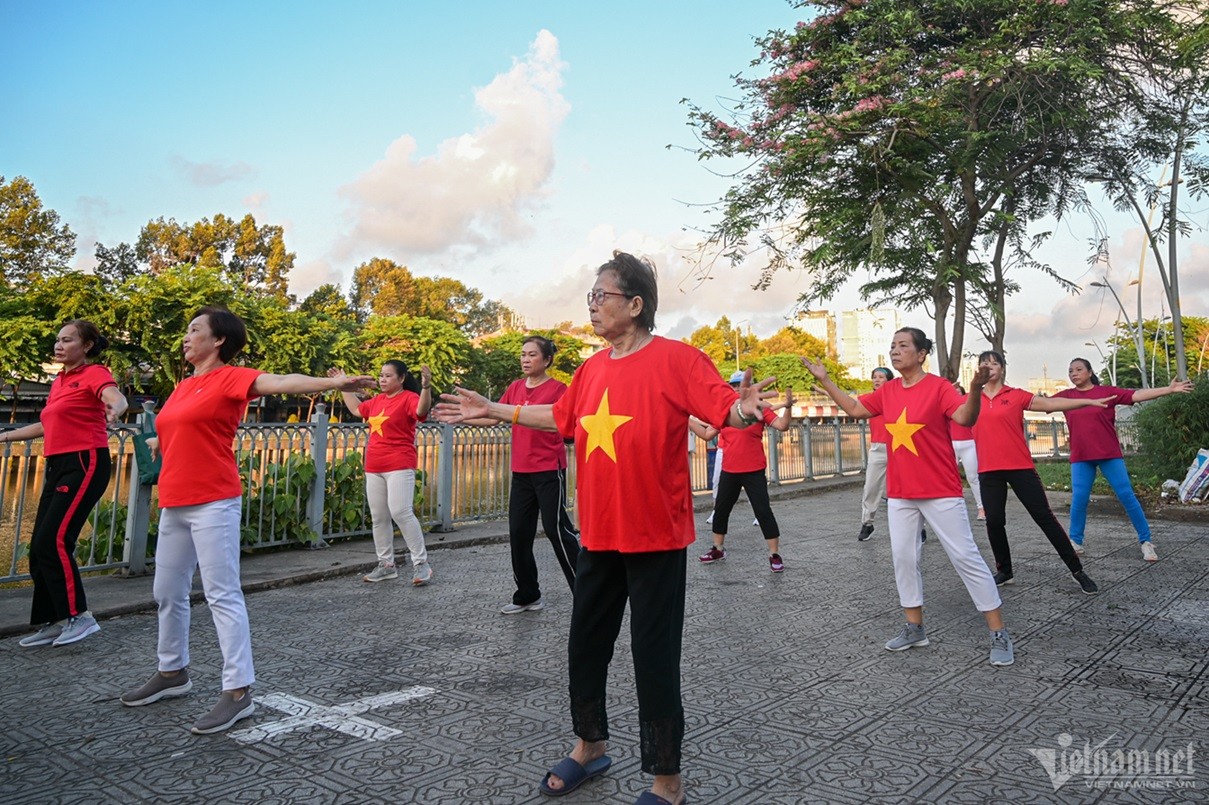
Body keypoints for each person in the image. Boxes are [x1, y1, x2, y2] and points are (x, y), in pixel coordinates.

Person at [436, 251, 772, 805]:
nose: (592, 306)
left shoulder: (678, 360)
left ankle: (667, 781)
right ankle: (590, 745)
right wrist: (498, 410)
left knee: (653, 656)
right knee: (585, 646)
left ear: (635, 305)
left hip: (656, 537)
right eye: (590, 298)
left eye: (602, 297)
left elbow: (723, 410)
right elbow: (564, 419)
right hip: (599, 533)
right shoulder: (591, 370)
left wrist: (743, 411)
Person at [120, 306, 372, 735]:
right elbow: (175, 428)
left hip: (214, 500)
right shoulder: (184, 386)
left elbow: (281, 382)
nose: (186, 336)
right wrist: (158, 442)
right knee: (166, 591)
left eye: (194, 329)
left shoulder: (232, 377)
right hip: (175, 500)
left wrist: (333, 383)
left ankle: (238, 692)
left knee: (222, 594)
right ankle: (172, 671)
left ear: (218, 341)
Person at [802, 328, 1015, 667]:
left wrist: (973, 390)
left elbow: (965, 417)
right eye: (892, 346)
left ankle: (998, 632)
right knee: (903, 557)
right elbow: (856, 410)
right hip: (901, 493)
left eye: (903, 346)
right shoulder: (887, 391)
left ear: (920, 354)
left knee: (965, 556)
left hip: (940, 489)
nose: (895, 351)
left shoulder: (939, 388)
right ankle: (915, 628)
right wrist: (827, 380)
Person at [5, 321, 128, 648]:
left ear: (86, 346)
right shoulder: (59, 381)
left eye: (67, 340)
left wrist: (116, 408)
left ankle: (79, 617)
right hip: (58, 465)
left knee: (54, 540)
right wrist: (3, 435)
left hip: (84, 462)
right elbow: (45, 425)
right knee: (39, 547)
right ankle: (56, 620)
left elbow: (114, 396)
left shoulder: (94, 373)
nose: (59, 345)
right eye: (58, 340)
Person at [457, 335, 579, 613]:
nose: (525, 359)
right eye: (523, 354)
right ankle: (528, 594)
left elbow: (565, 425)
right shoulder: (514, 387)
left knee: (556, 530)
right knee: (519, 533)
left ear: (547, 360)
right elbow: (494, 415)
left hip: (550, 469)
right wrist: (467, 416)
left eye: (532, 355)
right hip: (521, 472)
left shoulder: (560, 389)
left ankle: (584, 592)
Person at [972, 351, 1110, 594]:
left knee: (1044, 518)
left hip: (1020, 467)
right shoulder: (972, 399)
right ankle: (1004, 570)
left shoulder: (1015, 395)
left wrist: (1086, 401)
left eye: (994, 363)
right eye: (984, 363)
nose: (989, 366)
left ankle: (1077, 570)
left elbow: (1051, 404)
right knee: (994, 521)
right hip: (989, 470)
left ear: (1002, 369)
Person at [1054, 358, 1193, 562]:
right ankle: (1075, 541)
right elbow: (1039, 403)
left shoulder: (1106, 392)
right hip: (1081, 458)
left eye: (1078, 369)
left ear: (1090, 372)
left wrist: (1169, 389)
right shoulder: (1067, 396)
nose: (1073, 373)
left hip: (1109, 454)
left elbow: (1136, 395)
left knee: (1126, 495)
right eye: (1070, 370)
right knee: (1079, 499)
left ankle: (1146, 542)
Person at [334, 360, 434, 586]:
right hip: (374, 465)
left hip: (399, 463)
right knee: (379, 517)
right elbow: (356, 409)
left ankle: (421, 564)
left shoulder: (408, 398)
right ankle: (386, 565)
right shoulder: (376, 401)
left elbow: (421, 411)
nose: (382, 379)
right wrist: (343, 385)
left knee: (401, 512)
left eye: (388, 376)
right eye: (381, 375)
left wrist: (426, 387)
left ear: (401, 378)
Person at [692, 384, 794, 572]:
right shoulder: (725, 412)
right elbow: (707, 435)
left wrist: (788, 408)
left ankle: (774, 554)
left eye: (743, 386)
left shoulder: (760, 408)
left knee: (763, 511)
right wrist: (685, 418)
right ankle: (718, 549)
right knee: (721, 509)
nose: (739, 390)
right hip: (729, 470)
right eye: (735, 387)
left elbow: (783, 426)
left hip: (754, 469)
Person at [857, 367, 893, 541]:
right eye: (874, 377)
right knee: (871, 487)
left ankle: (919, 527)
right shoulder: (868, 400)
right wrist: (825, 387)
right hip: (878, 448)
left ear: (889, 380)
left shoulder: (898, 397)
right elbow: (849, 404)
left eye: (881, 377)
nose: (877, 380)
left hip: (900, 447)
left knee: (907, 487)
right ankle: (867, 523)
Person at [949, 383, 985, 521]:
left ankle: (982, 508)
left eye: (958, 389)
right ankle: (953, 509)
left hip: (969, 443)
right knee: (950, 478)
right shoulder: (947, 404)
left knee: (973, 477)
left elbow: (978, 393)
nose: (956, 391)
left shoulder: (967, 400)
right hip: (951, 444)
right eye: (953, 390)